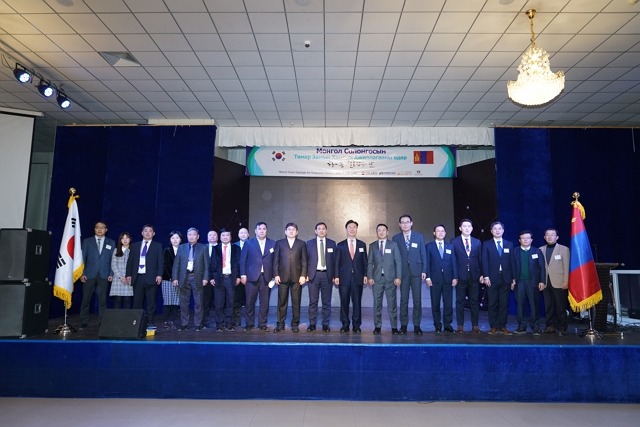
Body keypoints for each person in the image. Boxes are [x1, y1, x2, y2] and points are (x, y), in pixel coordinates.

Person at [392, 214, 427, 335]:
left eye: (407, 222)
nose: (405, 224)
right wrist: (396, 274)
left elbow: (423, 255)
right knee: (403, 300)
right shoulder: (396, 238)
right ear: (400, 225)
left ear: (411, 223)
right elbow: (394, 258)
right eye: (403, 222)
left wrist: (424, 270)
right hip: (403, 273)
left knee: (417, 300)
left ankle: (417, 325)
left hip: (417, 272)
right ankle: (404, 325)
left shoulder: (419, 237)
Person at [240, 222, 276, 331]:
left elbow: (275, 262)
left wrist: (274, 277)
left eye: (264, 229)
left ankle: (262, 324)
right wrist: (243, 274)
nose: (261, 231)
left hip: (266, 277)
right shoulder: (248, 243)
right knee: (249, 302)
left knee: (264, 303)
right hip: (251, 277)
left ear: (266, 231)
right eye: (259, 229)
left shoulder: (272, 243)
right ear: (255, 231)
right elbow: (243, 260)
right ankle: (249, 324)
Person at [367, 224, 402, 335]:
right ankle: (377, 326)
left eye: (383, 230)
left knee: (392, 304)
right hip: (377, 279)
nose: (381, 232)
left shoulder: (393, 245)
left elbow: (398, 262)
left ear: (387, 232)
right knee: (377, 304)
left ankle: (394, 327)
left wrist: (398, 277)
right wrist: (370, 277)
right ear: (377, 232)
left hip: (390, 279)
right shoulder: (372, 246)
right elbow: (370, 263)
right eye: (379, 230)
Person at [482, 221, 516, 335]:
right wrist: (486, 276)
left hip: (506, 278)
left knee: (504, 304)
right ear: (491, 231)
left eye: (499, 228)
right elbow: (484, 261)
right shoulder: (486, 244)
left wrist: (513, 278)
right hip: (491, 278)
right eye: (495, 229)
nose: (497, 231)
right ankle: (493, 326)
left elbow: (512, 262)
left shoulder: (509, 244)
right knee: (492, 304)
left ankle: (502, 326)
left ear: (503, 230)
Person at [79, 221, 115, 329]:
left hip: (104, 274)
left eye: (102, 227)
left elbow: (113, 260)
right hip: (89, 274)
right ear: (94, 229)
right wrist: (82, 273)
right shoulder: (87, 241)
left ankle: (102, 322)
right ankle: (83, 321)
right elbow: (82, 258)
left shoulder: (111, 242)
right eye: (97, 227)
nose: (99, 229)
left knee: (102, 300)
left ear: (106, 230)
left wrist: (111, 273)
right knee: (86, 299)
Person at [273, 223, 308, 333]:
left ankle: (295, 324)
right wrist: (276, 274)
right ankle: (280, 324)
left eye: (293, 229)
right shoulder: (279, 243)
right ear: (285, 231)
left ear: (297, 232)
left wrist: (303, 275)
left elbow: (304, 261)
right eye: (289, 229)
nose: (291, 231)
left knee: (296, 302)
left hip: (297, 278)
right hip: (282, 277)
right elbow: (275, 260)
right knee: (282, 302)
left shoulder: (302, 244)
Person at [126, 224, 164, 326]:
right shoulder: (135, 245)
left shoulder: (158, 246)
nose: (147, 233)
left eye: (150, 231)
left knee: (151, 303)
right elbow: (130, 261)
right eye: (145, 231)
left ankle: (150, 322)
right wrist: (128, 274)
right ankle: (136, 323)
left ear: (153, 233)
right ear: (142, 233)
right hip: (138, 277)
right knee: (137, 302)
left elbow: (160, 262)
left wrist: (159, 275)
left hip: (152, 278)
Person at [172, 227, 209, 331]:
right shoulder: (181, 247)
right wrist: (175, 278)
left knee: (198, 302)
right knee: (184, 303)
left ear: (198, 236)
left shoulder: (203, 247)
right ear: (187, 236)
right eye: (189, 235)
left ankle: (198, 324)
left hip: (198, 277)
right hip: (184, 277)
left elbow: (207, 265)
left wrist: (206, 277)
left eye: (193, 235)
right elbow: (176, 264)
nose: (191, 237)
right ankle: (184, 324)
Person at [450, 219, 483, 333]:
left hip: (474, 275)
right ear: (460, 228)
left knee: (474, 301)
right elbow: (452, 260)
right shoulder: (454, 242)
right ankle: (460, 325)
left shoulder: (477, 242)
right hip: (460, 275)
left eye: (469, 226)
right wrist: (454, 276)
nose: (467, 228)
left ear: (472, 228)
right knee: (460, 301)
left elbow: (480, 259)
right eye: (464, 226)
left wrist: (482, 274)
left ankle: (475, 325)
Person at [335, 220, 368, 333]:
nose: (352, 229)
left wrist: (365, 274)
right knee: (344, 302)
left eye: (354, 227)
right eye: (350, 227)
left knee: (357, 302)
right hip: (344, 278)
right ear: (346, 229)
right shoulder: (340, 245)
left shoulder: (362, 244)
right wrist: (336, 276)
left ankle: (356, 325)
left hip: (358, 278)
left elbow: (365, 261)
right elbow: (337, 262)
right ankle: (345, 324)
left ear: (357, 229)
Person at [425, 224, 458, 334]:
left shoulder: (450, 246)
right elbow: (427, 263)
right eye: (438, 231)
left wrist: (455, 277)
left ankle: (448, 324)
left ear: (445, 233)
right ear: (434, 233)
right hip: (434, 279)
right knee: (435, 304)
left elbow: (454, 262)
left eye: (442, 231)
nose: (440, 233)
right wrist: (428, 277)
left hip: (448, 279)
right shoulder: (429, 246)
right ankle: (437, 325)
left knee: (448, 304)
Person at [305, 222, 337, 332]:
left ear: (326, 231)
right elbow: (305, 261)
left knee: (326, 302)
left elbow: (335, 261)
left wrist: (335, 275)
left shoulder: (332, 243)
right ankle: (312, 324)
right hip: (313, 275)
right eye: (319, 229)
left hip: (327, 275)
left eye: (323, 229)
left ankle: (325, 324)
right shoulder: (309, 243)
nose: (321, 230)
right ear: (315, 231)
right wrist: (305, 275)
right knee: (313, 302)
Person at [513, 230, 546, 335]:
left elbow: (542, 267)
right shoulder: (514, 251)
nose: (525, 240)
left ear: (531, 240)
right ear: (519, 240)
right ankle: (521, 327)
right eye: (523, 238)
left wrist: (542, 281)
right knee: (520, 306)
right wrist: (512, 280)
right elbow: (510, 267)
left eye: (528, 238)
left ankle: (535, 328)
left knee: (534, 306)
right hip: (519, 283)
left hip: (533, 283)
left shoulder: (537, 251)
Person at [540, 228, 570, 336]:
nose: (550, 236)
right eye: (547, 235)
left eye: (552, 235)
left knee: (560, 306)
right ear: (544, 237)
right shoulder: (540, 249)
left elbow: (566, 266)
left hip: (559, 282)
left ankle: (562, 328)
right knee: (548, 306)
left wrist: (566, 281)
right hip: (545, 282)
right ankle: (550, 326)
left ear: (557, 237)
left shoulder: (564, 249)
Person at [210, 228, 241, 331]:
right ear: (220, 237)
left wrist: (238, 276)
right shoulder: (215, 248)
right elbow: (212, 264)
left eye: (227, 235)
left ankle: (229, 323)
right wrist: (211, 277)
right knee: (218, 303)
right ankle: (219, 324)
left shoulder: (236, 248)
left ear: (230, 237)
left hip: (231, 278)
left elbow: (239, 264)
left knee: (230, 302)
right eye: (223, 235)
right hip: (219, 279)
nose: (225, 237)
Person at [161, 231, 182, 329]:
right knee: (168, 301)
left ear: (180, 239)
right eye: (173, 238)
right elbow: (166, 265)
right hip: (167, 279)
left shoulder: (183, 250)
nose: (175, 240)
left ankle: (172, 321)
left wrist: (179, 278)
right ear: (170, 240)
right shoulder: (167, 250)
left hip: (180, 280)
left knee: (176, 301)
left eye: (177, 238)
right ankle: (165, 321)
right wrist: (173, 278)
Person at [110, 231, 133, 309]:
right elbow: (113, 265)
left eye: (127, 238)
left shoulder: (134, 251)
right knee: (117, 300)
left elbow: (135, 265)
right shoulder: (116, 250)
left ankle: (127, 317)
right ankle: (117, 317)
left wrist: (129, 276)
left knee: (127, 300)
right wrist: (121, 277)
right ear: (120, 240)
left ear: (130, 239)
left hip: (129, 279)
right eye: (122, 238)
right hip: (118, 279)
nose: (125, 240)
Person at [232, 227, 250, 328]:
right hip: (238, 277)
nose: (243, 234)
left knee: (249, 301)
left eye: (245, 233)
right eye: (241, 233)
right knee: (237, 300)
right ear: (238, 235)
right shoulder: (234, 246)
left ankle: (249, 322)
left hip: (251, 276)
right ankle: (236, 320)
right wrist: (238, 276)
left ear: (248, 234)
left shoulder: (252, 244)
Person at [202, 229, 219, 328]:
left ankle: (219, 322)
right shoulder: (203, 248)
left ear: (217, 237)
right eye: (210, 235)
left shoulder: (221, 248)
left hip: (218, 279)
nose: (212, 237)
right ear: (207, 237)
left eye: (214, 235)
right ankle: (204, 322)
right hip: (205, 280)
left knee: (219, 303)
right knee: (205, 302)